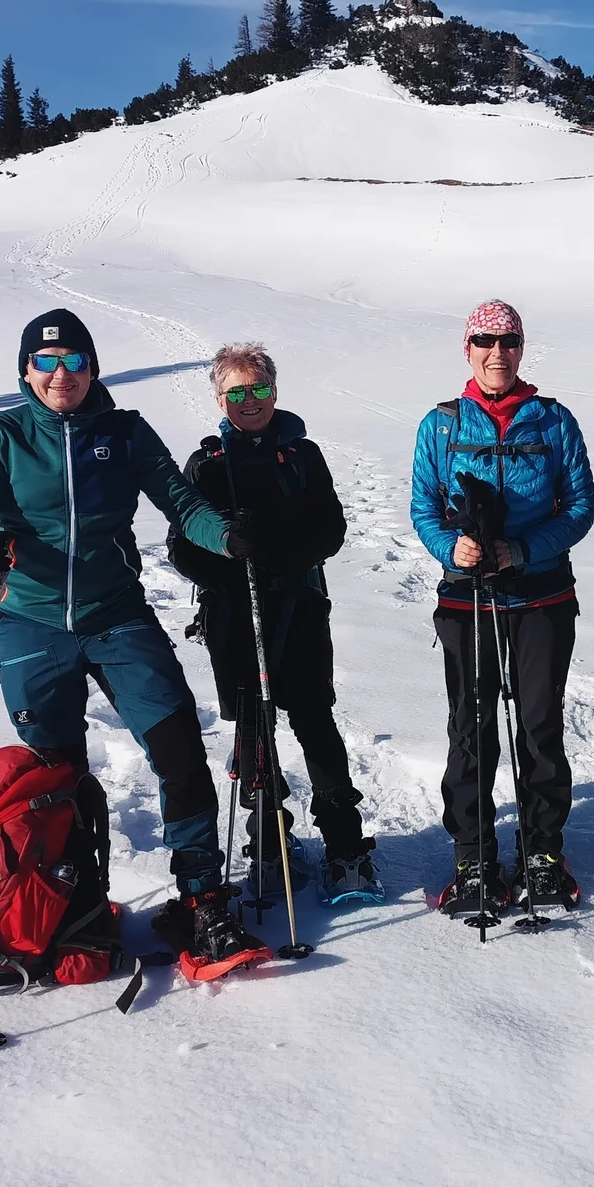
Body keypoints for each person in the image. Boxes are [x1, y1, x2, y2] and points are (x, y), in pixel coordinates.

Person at [0, 308, 272, 980]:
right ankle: (75, 903)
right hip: (33, 623)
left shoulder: (121, 432)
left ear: (92, 367)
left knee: (177, 743)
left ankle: (202, 899)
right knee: (55, 776)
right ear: (26, 370)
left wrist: (225, 536)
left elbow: (180, 502)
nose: (61, 374)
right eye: (46, 361)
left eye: (74, 360)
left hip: (117, 614)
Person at [166, 342, 379, 905]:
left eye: (258, 388)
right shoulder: (208, 463)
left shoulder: (303, 454)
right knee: (252, 729)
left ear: (275, 392)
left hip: (300, 606)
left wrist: (282, 557)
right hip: (236, 615)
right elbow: (180, 544)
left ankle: (345, 845)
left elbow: (331, 528)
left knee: (315, 720)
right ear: (218, 398)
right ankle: (269, 841)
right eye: (235, 392)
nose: (249, 401)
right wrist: (231, 567)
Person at [409, 300, 594, 920]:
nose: (498, 353)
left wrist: (521, 549)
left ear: (521, 347)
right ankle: (473, 853)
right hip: (467, 600)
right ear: (467, 350)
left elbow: (578, 508)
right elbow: (424, 508)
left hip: (540, 594)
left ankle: (542, 849)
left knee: (539, 723)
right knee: (471, 728)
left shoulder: (553, 422)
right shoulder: (440, 425)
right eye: (485, 341)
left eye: (509, 341)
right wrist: (452, 547)